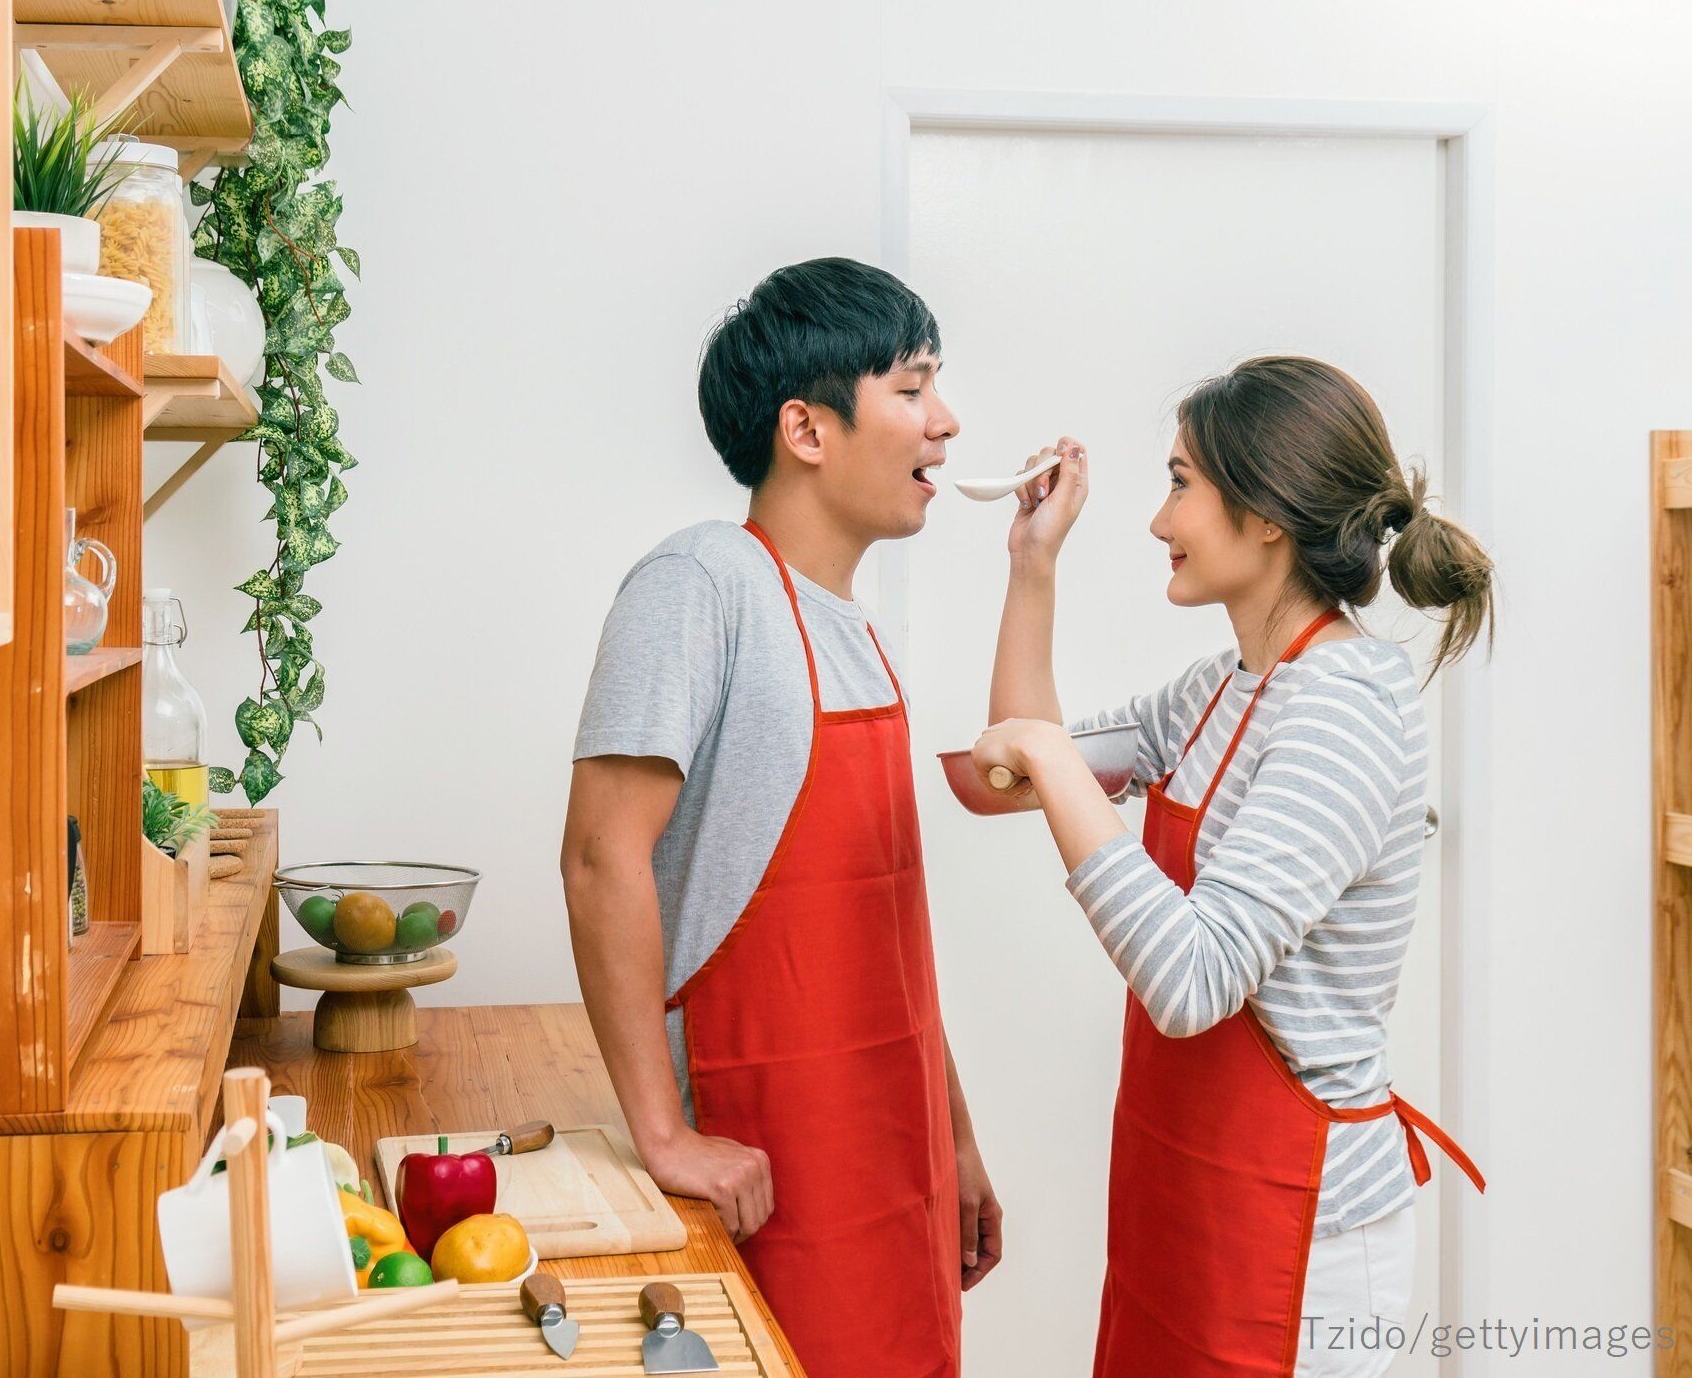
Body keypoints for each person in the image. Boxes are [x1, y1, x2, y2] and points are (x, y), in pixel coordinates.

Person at [972, 356, 1491, 1377]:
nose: (1157, 521)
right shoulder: (1219, 690)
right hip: (1182, 1196)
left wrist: (1046, 759)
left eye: (1180, 484)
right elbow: (1010, 772)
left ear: (1264, 517)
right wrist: (1033, 564)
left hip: (1300, 1232)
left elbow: (1192, 979)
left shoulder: (1343, 706)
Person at [561, 257, 997, 1376]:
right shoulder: (700, 583)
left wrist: (952, 1135)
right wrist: (664, 1134)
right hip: (766, 1151)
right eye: (912, 388)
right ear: (805, 429)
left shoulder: (856, 630)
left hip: (891, 1153)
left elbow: (889, 941)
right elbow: (601, 856)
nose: (945, 422)